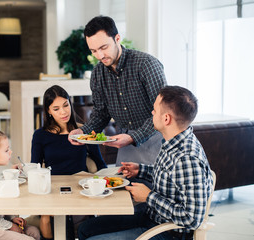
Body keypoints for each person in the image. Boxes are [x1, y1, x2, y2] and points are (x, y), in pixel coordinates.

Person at [77, 86, 214, 240]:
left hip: (167, 233)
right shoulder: (173, 140)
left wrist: (149, 196)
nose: (152, 113)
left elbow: (193, 219)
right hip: (152, 216)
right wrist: (141, 170)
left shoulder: (187, 158)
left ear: (166, 119)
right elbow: (171, 176)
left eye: (155, 110)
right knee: (85, 229)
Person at [68, 15, 167, 166]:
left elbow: (163, 111)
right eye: (93, 50)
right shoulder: (97, 74)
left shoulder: (146, 65)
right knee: (122, 188)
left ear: (117, 38)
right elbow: (101, 113)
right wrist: (83, 132)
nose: (99, 56)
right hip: (125, 143)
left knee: (153, 188)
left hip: (156, 139)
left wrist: (134, 137)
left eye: (103, 47)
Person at [31, 85, 107, 239]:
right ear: (49, 112)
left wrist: (111, 181)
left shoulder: (83, 132)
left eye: (66, 105)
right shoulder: (40, 135)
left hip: (81, 191)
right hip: (53, 191)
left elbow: (100, 165)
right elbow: (35, 168)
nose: (64, 112)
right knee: (57, 222)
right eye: (56, 108)